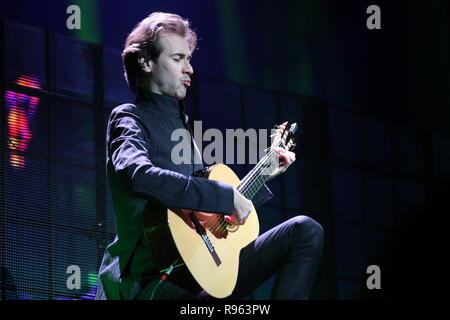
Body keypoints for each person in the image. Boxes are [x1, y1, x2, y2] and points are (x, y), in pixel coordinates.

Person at [95, 12, 323, 300]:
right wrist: (225, 196)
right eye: (178, 59)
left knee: (304, 231)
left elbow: (208, 220)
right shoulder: (129, 118)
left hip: (193, 283)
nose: (189, 69)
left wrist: (265, 172)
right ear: (145, 62)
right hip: (147, 285)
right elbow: (137, 175)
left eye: (189, 59)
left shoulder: (185, 134)